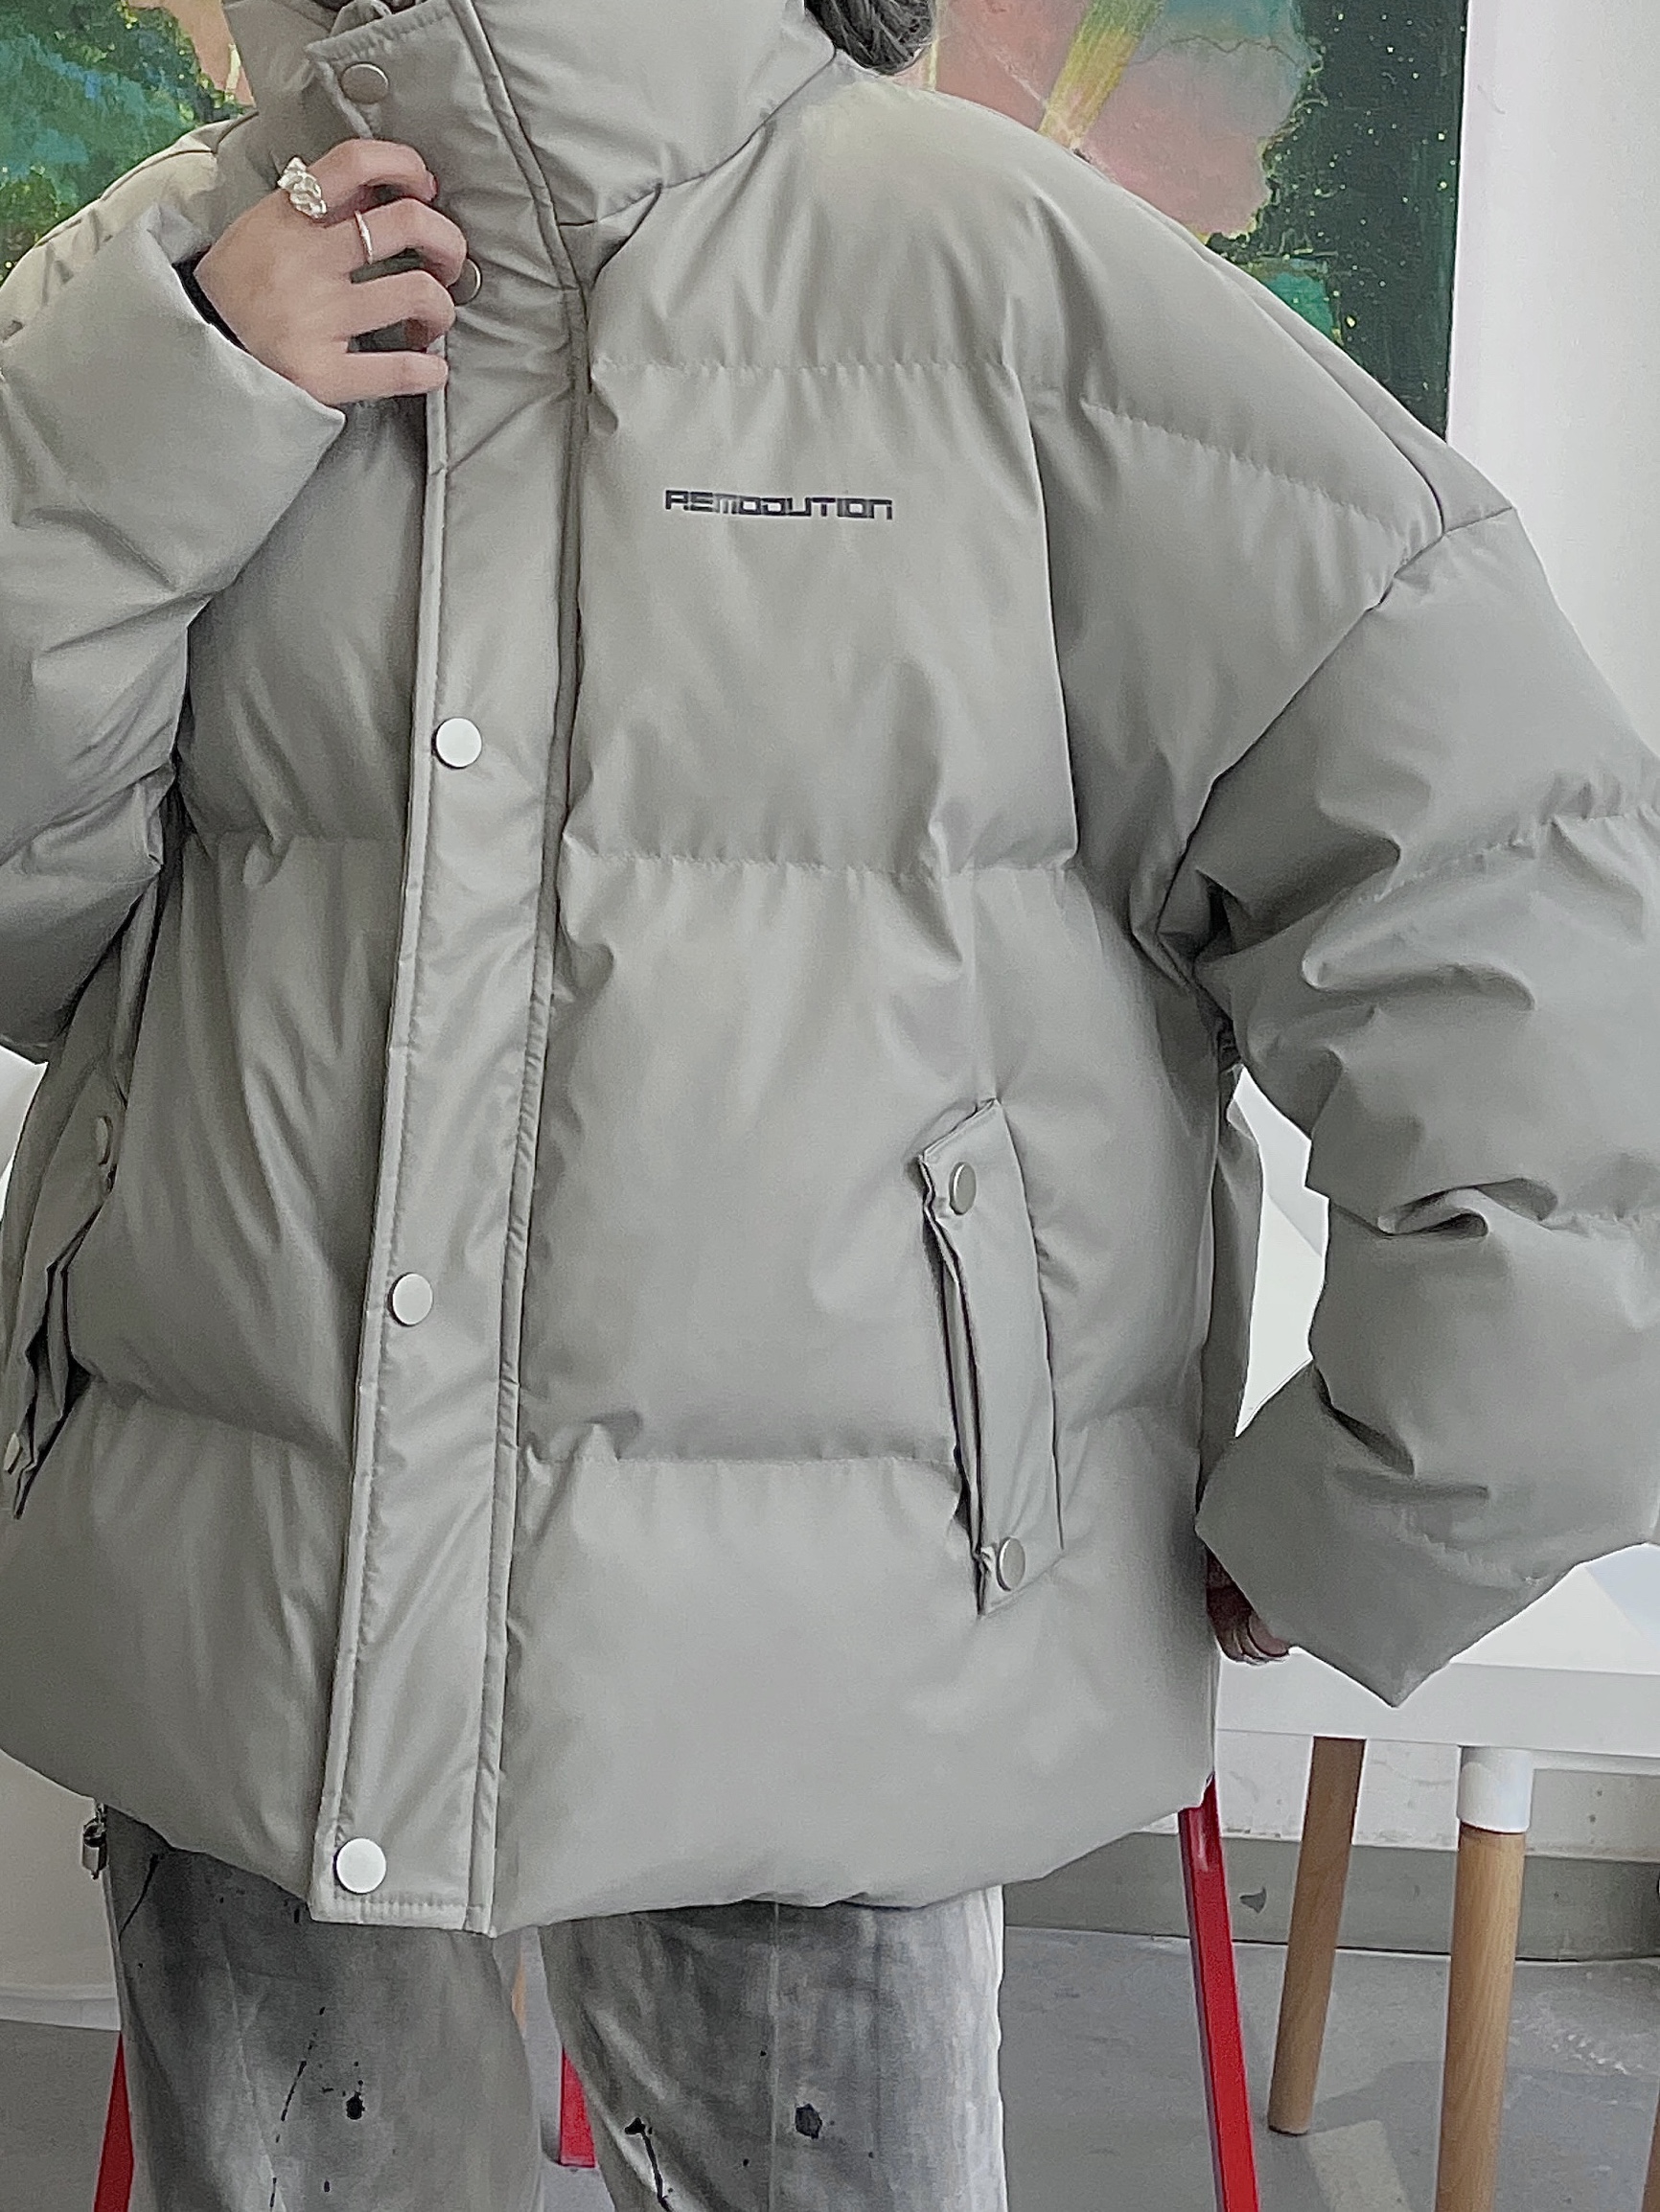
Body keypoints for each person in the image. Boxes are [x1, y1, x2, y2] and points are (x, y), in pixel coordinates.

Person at [0, 0, 1655, 2203]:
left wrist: (1399, 1479)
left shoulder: (1009, 290)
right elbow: (40, 929)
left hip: (830, 1653)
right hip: (258, 1593)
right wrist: (165, 407)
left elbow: (1498, 883)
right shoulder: (174, 282)